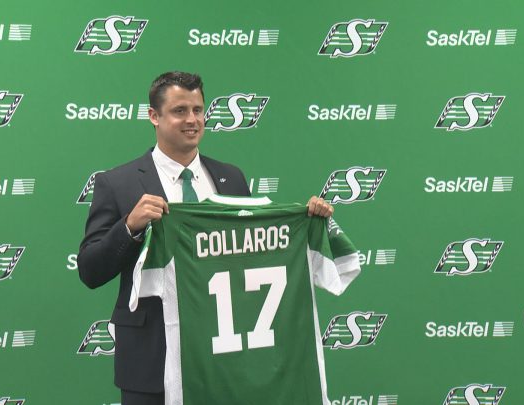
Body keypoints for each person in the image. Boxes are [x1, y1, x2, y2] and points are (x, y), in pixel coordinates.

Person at [77, 71, 334, 405]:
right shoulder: (118, 183)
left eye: (198, 110)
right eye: (179, 111)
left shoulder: (231, 178)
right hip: (152, 363)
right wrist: (130, 226)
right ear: (154, 116)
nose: (192, 120)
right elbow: (90, 270)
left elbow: (256, 251)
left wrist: (307, 221)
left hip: (224, 357)